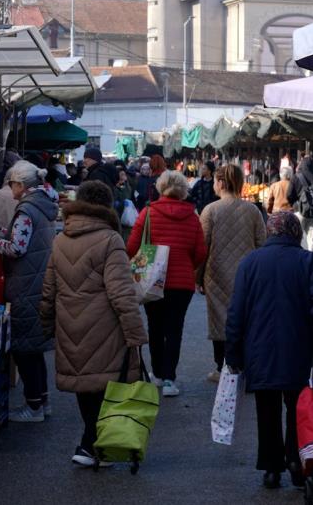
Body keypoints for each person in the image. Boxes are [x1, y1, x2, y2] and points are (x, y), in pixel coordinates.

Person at [225, 211, 313, 490]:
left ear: (269, 232)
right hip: (299, 348)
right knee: (299, 408)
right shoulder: (309, 261)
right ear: (295, 232)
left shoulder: (249, 262)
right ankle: (297, 463)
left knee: (267, 409)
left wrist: (233, 353)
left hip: (259, 350)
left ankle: (271, 468)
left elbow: (236, 312)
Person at [39, 181, 148, 467]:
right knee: (105, 384)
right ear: (106, 206)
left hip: (68, 324)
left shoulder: (61, 239)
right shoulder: (111, 240)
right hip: (104, 326)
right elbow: (121, 292)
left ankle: (91, 445)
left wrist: (48, 324)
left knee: (84, 383)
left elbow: (48, 289)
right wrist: (135, 333)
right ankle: (93, 444)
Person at [0, 161, 59, 421]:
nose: (9, 188)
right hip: (38, 280)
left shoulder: (26, 209)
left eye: (11, 183)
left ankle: (33, 406)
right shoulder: (42, 206)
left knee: (24, 348)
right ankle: (42, 402)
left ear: (21, 185)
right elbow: (24, 237)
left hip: (26, 283)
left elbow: (17, 248)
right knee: (34, 349)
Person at [126, 170, 207, 398]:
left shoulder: (148, 213)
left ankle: (158, 374)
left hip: (152, 280)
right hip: (181, 283)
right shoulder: (192, 217)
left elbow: (131, 247)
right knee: (175, 329)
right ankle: (170, 378)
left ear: (161, 188)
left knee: (155, 326)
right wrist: (186, 265)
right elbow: (200, 252)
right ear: (183, 190)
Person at [198, 164, 266, 381]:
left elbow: (202, 248)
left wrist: (197, 277)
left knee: (219, 321)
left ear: (220, 183)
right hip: (247, 275)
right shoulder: (252, 210)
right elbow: (262, 243)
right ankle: (245, 365)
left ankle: (222, 368)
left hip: (216, 273)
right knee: (246, 320)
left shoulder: (210, 210)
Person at [287, 156, 313, 248]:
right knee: (312, 240)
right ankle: (310, 259)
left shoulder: (295, 177)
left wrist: (295, 205)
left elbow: (289, 195)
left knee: (298, 237)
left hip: (299, 212)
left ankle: (299, 258)